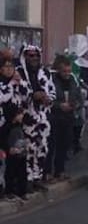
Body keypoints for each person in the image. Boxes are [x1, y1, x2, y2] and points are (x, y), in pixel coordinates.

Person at [18, 44, 55, 189]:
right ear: (24, 56)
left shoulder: (45, 72)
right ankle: (27, 179)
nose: (34, 58)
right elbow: (16, 93)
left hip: (43, 116)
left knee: (42, 147)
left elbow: (52, 91)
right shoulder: (19, 72)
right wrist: (32, 95)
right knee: (28, 148)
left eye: (37, 56)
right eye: (31, 55)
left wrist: (48, 99)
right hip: (27, 116)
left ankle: (37, 177)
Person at [1, 53, 31, 201]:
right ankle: (8, 190)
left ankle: (21, 189)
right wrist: (12, 84)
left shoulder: (18, 83)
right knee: (10, 158)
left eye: (11, 66)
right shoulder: (3, 84)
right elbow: (3, 97)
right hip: (5, 126)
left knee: (21, 157)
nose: (9, 69)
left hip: (18, 126)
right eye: (5, 67)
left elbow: (26, 98)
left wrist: (20, 83)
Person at [48, 53, 82, 182]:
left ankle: (60, 170)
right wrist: (59, 105)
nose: (67, 74)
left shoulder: (73, 80)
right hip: (54, 117)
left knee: (64, 145)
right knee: (51, 145)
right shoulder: (51, 80)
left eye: (69, 71)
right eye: (64, 71)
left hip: (68, 117)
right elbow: (49, 98)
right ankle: (48, 172)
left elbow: (79, 97)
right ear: (58, 70)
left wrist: (75, 105)